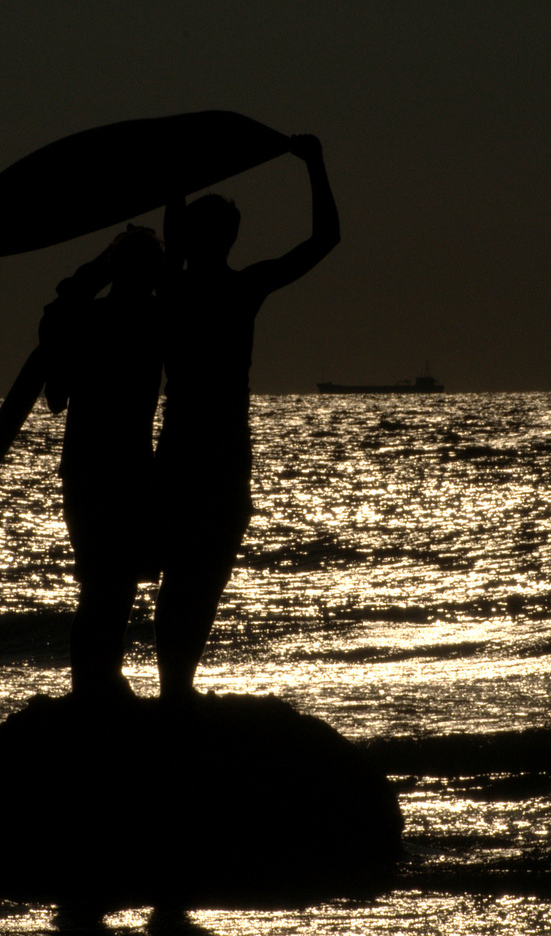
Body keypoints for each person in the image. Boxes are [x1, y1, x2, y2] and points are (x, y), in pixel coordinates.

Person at [154, 134, 339, 704]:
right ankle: (176, 691)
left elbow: (172, 240)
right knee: (201, 575)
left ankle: (174, 689)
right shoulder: (240, 288)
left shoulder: (174, 287)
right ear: (231, 239)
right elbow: (324, 239)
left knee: (180, 574)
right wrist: (315, 166)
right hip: (221, 450)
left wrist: (177, 186)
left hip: (184, 446)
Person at [39, 226, 165, 701]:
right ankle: (98, 686)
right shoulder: (157, 319)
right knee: (112, 587)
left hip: (89, 467)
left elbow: (57, 394)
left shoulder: (85, 319)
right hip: (127, 468)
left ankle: (95, 685)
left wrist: (95, 270)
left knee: (100, 585)